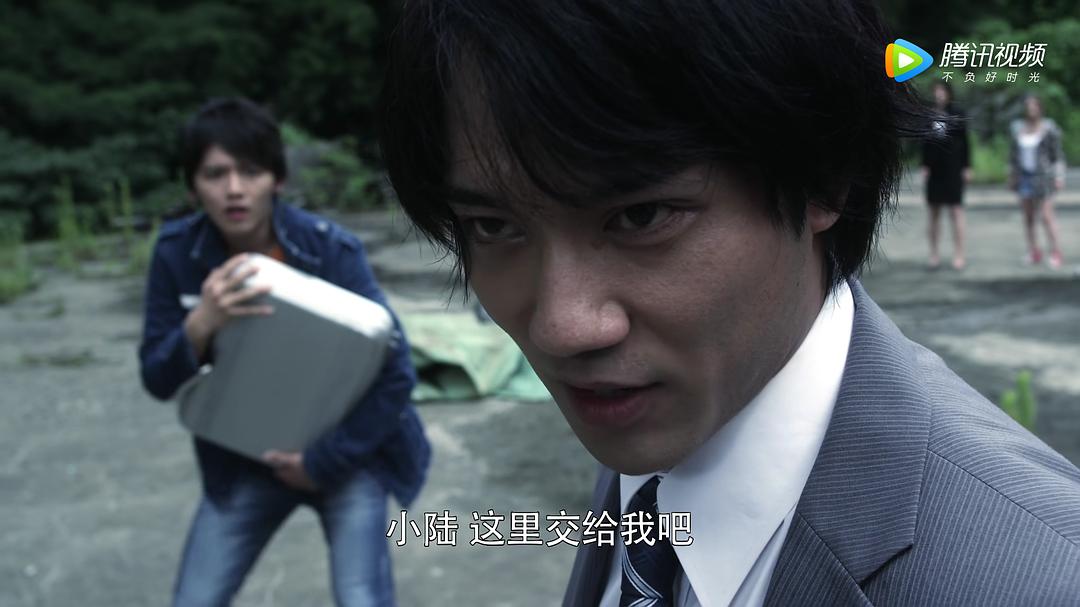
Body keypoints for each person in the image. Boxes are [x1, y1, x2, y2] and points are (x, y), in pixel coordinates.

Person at [378, 1, 1080, 606]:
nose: (563, 327)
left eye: (641, 216)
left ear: (823, 176)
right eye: (493, 226)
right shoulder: (666, 421)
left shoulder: (1034, 579)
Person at [138, 97, 430, 607]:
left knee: (362, 598)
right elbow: (157, 378)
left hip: (343, 457)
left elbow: (396, 371)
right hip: (243, 461)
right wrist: (201, 323)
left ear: (276, 178)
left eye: (250, 171)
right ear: (192, 186)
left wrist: (321, 461)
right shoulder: (177, 252)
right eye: (215, 174)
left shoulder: (330, 249)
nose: (234, 188)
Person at [1008, 93, 1067, 269]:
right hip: (1024, 177)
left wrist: (1059, 176)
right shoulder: (1018, 129)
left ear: (1040, 108)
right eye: (1028, 106)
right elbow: (1013, 156)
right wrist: (1012, 176)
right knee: (1028, 217)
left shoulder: (1049, 128)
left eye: (1034, 106)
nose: (1031, 109)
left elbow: (1057, 155)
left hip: (1043, 177)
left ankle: (1056, 251)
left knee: (1047, 216)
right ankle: (1034, 250)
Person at [921, 81, 971, 270]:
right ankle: (934, 254)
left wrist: (967, 166)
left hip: (953, 168)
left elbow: (965, 142)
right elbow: (924, 143)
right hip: (934, 169)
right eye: (936, 91)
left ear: (949, 93)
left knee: (956, 211)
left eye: (942, 91)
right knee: (933, 212)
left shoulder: (957, 113)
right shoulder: (928, 114)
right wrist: (924, 165)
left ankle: (959, 254)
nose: (939, 94)